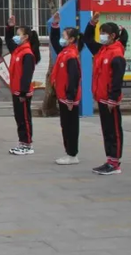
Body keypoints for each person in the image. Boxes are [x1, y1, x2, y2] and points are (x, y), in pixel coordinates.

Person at [82, 17, 128, 176]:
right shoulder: (102, 49)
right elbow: (87, 39)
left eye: (104, 33)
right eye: (100, 33)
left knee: (114, 130)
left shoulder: (116, 53)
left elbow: (117, 79)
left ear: (113, 36)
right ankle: (109, 160)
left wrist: (113, 99)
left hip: (110, 100)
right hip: (101, 97)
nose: (101, 36)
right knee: (106, 130)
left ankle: (115, 163)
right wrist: (91, 24)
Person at [49, 13, 83, 166]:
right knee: (65, 125)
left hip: (69, 98)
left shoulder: (71, 56)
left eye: (64, 36)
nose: (61, 38)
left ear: (71, 39)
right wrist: (55, 26)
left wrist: (70, 97)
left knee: (71, 126)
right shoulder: (64, 52)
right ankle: (68, 152)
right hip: (63, 96)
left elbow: (74, 78)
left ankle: (72, 154)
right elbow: (55, 42)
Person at [5, 16, 41, 156]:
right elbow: (9, 42)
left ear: (26, 37)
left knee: (25, 118)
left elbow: (27, 76)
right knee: (19, 117)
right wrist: (9, 28)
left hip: (23, 92)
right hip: (16, 90)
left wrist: (22, 92)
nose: (15, 37)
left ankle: (27, 144)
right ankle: (22, 142)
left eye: (18, 34)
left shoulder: (27, 54)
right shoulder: (18, 50)